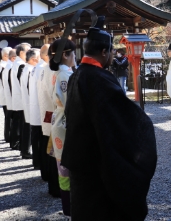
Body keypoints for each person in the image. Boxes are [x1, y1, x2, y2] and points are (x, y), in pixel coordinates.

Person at [61, 17, 157, 220]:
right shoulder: (99, 79)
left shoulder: (75, 76)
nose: (114, 55)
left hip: (80, 161)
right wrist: (143, 125)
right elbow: (121, 121)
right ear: (104, 52)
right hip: (97, 164)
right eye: (112, 51)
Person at [48, 38, 76, 216]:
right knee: (68, 167)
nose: (75, 56)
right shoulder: (66, 75)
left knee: (62, 168)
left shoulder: (58, 73)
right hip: (66, 123)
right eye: (73, 53)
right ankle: (71, 208)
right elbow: (71, 104)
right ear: (66, 55)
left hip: (58, 121)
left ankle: (68, 207)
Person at [37, 44, 60, 197]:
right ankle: (56, 187)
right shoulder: (51, 70)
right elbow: (56, 95)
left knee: (50, 149)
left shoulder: (43, 68)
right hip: (53, 112)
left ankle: (53, 185)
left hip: (46, 111)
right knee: (55, 152)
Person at [29, 45, 49, 172]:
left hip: (35, 107)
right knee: (42, 140)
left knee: (37, 138)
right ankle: (42, 164)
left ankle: (37, 162)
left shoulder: (36, 68)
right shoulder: (43, 69)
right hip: (42, 108)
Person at [10, 43, 31, 155]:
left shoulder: (17, 63)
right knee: (25, 126)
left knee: (21, 124)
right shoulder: (21, 65)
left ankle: (23, 148)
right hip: (23, 99)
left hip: (19, 98)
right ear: (22, 52)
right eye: (28, 50)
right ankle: (25, 150)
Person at [19, 49, 39, 160]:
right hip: (30, 102)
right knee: (28, 128)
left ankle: (25, 150)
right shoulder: (30, 70)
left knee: (28, 127)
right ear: (32, 59)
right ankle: (26, 151)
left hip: (28, 102)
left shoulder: (28, 69)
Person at [0, 47, 12, 142]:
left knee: (8, 117)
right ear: (6, 56)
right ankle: (9, 136)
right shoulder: (4, 66)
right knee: (9, 117)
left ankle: (9, 136)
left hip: (6, 96)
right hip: (6, 96)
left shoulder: (4, 65)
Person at [2, 49, 16, 146]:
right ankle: (12, 140)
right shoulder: (10, 67)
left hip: (8, 96)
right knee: (13, 119)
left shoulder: (7, 66)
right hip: (11, 97)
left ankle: (10, 138)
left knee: (10, 119)